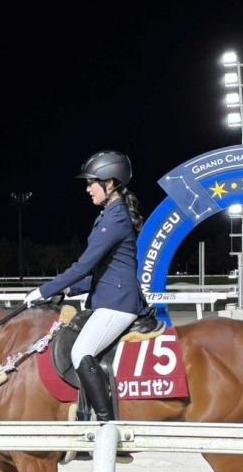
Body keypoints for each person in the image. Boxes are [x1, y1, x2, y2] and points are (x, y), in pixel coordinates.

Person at [23, 150, 149, 421]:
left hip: (118, 303)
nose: (88, 189)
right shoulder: (108, 216)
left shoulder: (115, 219)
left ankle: (106, 425)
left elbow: (84, 266)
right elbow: (103, 273)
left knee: (81, 351)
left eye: (92, 182)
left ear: (111, 183)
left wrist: (43, 291)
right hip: (108, 299)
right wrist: (69, 290)